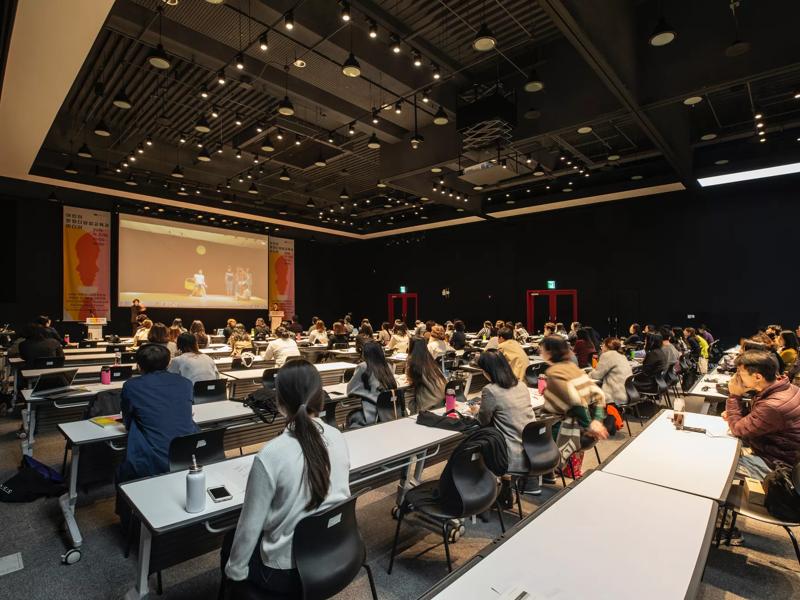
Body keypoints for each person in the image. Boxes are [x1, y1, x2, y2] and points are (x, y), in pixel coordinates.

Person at [222, 360, 350, 596]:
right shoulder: (337, 436)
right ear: (319, 397)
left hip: (287, 572)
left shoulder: (271, 454)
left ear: (280, 403)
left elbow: (250, 526)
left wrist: (235, 574)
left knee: (231, 543)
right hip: (337, 550)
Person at [117, 344, 196, 482]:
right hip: (188, 454)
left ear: (139, 365)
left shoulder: (131, 386)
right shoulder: (186, 383)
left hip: (153, 459)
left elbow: (128, 421)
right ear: (168, 363)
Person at [724, 350, 800, 480]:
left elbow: (737, 429)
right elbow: (760, 419)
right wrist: (736, 413)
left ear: (758, 377)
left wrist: (734, 396)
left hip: (777, 464)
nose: (736, 378)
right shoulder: (787, 387)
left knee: (721, 464)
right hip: (779, 451)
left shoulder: (772, 406)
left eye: (740, 373)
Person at [471, 350, 535, 505]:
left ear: (487, 371)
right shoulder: (521, 385)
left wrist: (475, 411)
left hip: (510, 456)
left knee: (476, 445)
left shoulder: (490, 390)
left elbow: (483, 421)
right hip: (532, 450)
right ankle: (504, 487)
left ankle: (484, 495)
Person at [541, 336, 608, 478]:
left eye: (542, 349)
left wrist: (588, 425)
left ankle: (545, 473)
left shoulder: (554, 372)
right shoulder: (573, 368)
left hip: (564, 428)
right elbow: (599, 394)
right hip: (579, 427)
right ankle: (551, 472)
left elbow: (575, 401)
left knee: (529, 430)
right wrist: (597, 419)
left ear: (549, 352)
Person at [346, 341, 398, 425]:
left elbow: (350, 390)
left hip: (373, 413)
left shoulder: (363, 366)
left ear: (365, 353)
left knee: (352, 416)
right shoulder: (388, 365)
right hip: (390, 411)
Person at [405, 337, 447, 413]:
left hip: (426, 405)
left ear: (411, 346)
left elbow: (410, 381)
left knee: (406, 395)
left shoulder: (412, 362)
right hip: (440, 401)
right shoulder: (430, 360)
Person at [589, 338, 633, 406]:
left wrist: (589, 373)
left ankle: (597, 415)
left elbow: (597, 375)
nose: (601, 347)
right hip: (628, 393)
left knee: (588, 392)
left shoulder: (607, 355)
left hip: (614, 395)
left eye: (602, 345)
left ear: (607, 346)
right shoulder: (622, 355)